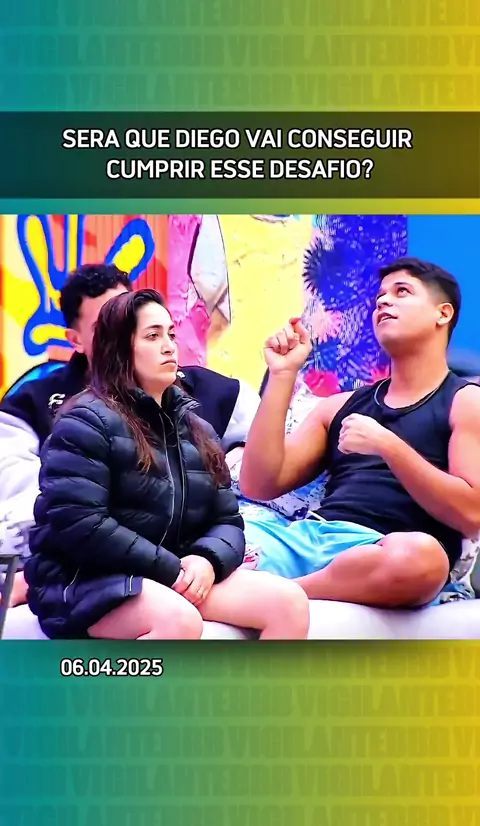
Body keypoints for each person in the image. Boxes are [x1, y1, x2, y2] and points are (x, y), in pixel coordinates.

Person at [24, 289, 309, 640]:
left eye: (171, 334)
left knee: (288, 603)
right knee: (179, 620)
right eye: (152, 336)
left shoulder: (197, 429)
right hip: (83, 580)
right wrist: (170, 569)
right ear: (119, 348)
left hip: (168, 573)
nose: (169, 346)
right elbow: (81, 524)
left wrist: (207, 560)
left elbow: (227, 519)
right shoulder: (84, 422)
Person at [0, 263, 259, 606]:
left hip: (186, 557)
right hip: (100, 565)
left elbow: (242, 489)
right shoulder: (37, 401)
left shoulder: (200, 397)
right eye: (107, 323)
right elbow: (46, 505)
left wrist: (206, 557)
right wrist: (167, 563)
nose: (122, 325)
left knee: (280, 598)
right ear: (75, 340)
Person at [240, 257, 480, 609]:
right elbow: (259, 484)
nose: (384, 302)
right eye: (380, 296)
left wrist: (387, 445)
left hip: (386, 552)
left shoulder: (466, 401)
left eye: (402, 292)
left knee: (424, 559)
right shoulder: (339, 406)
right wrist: (282, 374)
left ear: (442, 314)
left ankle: (280, 592)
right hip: (309, 540)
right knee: (213, 537)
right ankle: (281, 589)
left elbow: (472, 515)